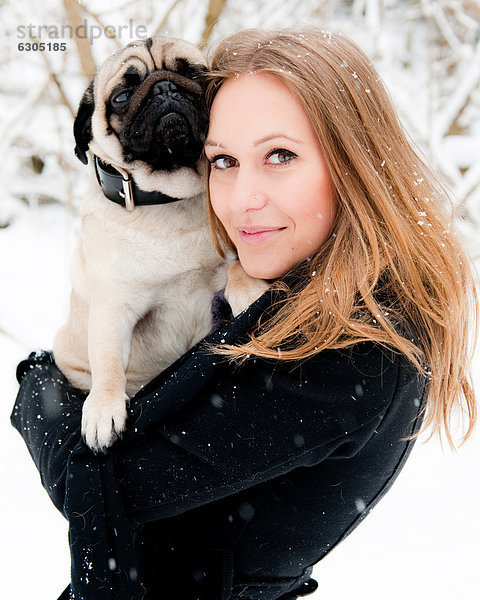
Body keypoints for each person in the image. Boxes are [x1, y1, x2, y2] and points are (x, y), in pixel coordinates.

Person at [11, 28, 477, 600]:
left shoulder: (355, 355)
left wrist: (37, 385)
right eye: (224, 160)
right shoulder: (300, 285)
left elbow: (98, 481)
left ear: (353, 159)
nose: (242, 198)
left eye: (280, 156)